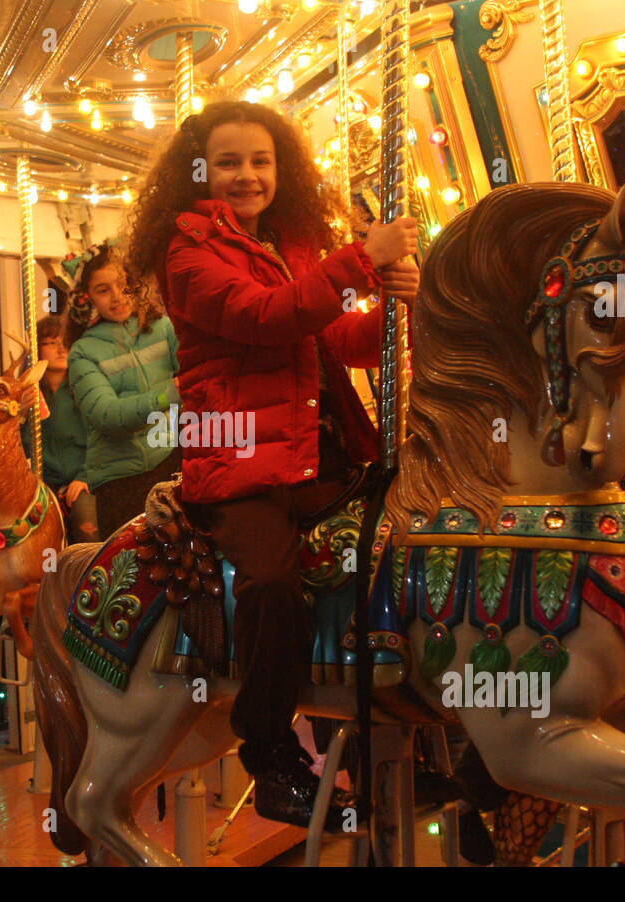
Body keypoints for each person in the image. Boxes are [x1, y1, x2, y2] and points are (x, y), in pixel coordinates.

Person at [124, 100, 420, 829]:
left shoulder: (293, 244)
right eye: (228, 162)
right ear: (199, 171)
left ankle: (409, 726)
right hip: (241, 462)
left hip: (324, 449)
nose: (247, 175)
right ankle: (269, 751)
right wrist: (362, 259)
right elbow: (268, 316)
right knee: (271, 584)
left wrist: (390, 306)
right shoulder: (188, 252)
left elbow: (336, 336)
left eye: (260, 160)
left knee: (412, 544)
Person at [64, 241, 182, 535]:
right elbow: (108, 415)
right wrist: (169, 393)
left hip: (171, 461)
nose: (117, 297)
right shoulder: (83, 352)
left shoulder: (164, 328)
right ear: (87, 297)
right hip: (120, 477)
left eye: (123, 285)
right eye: (103, 290)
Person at [21, 315, 98, 543]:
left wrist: (85, 477)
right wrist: (19, 416)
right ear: (37, 348)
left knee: (86, 524)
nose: (61, 348)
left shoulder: (85, 388)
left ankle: (90, 575)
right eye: (51, 343)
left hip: (82, 478)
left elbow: (100, 438)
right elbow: (19, 446)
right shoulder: (29, 394)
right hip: (42, 482)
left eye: (65, 341)